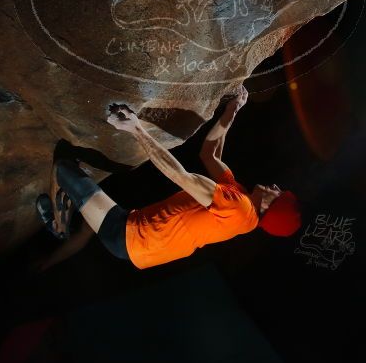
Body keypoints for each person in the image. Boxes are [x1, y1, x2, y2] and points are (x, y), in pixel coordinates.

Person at [35, 85, 302, 271]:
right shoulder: (241, 200)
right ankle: (61, 223)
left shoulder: (238, 208)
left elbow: (179, 175)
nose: (277, 186)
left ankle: (58, 227)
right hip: (141, 239)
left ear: (271, 207)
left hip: (130, 237)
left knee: (64, 167)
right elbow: (210, 153)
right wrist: (231, 112)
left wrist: (136, 128)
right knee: (82, 204)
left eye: (279, 193)